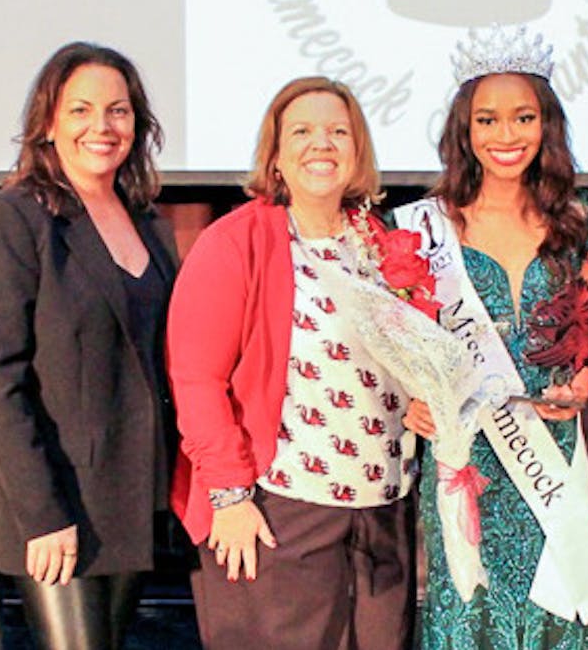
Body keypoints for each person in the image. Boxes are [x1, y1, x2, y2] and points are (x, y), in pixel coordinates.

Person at [166, 77, 416, 650]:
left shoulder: (380, 244)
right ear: (276, 155)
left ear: (358, 151)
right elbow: (196, 380)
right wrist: (229, 497)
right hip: (278, 509)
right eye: (301, 131)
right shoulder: (235, 242)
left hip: (381, 513)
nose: (321, 144)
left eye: (337, 131)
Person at [403, 24, 588, 649]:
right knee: (469, 599)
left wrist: (580, 381)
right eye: (487, 120)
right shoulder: (424, 227)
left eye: (522, 118)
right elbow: (402, 340)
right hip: (466, 450)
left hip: (547, 443)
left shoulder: (584, 221)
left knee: (556, 598)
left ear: (545, 125)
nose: (506, 136)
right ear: (464, 131)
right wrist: (412, 398)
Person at [0, 42, 178, 649]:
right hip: (56, 502)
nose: (101, 127)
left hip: (130, 498)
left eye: (118, 110)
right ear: (48, 122)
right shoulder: (11, 219)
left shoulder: (149, 223)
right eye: (80, 110)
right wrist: (43, 513)